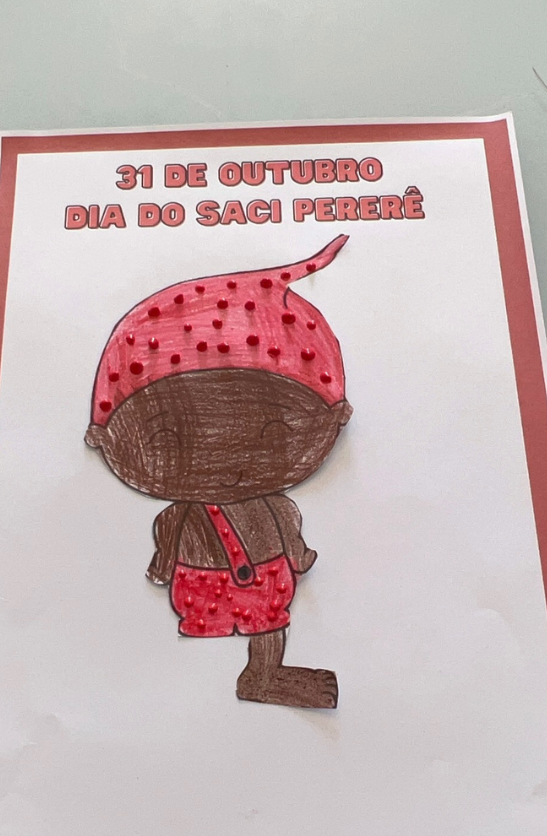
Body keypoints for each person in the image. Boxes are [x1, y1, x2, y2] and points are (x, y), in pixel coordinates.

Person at [84, 235, 353, 709]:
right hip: (208, 582)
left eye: (270, 437)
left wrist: (297, 553)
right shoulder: (232, 511)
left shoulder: (272, 507)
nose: (227, 469)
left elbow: (282, 528)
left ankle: (262, 675)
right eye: (169, 442)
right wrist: (297, 555)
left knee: (268, 623)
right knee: (260, 625)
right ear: (103, 439)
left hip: (250, 578)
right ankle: (250, 678)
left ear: (335, 420)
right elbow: (172, 531)